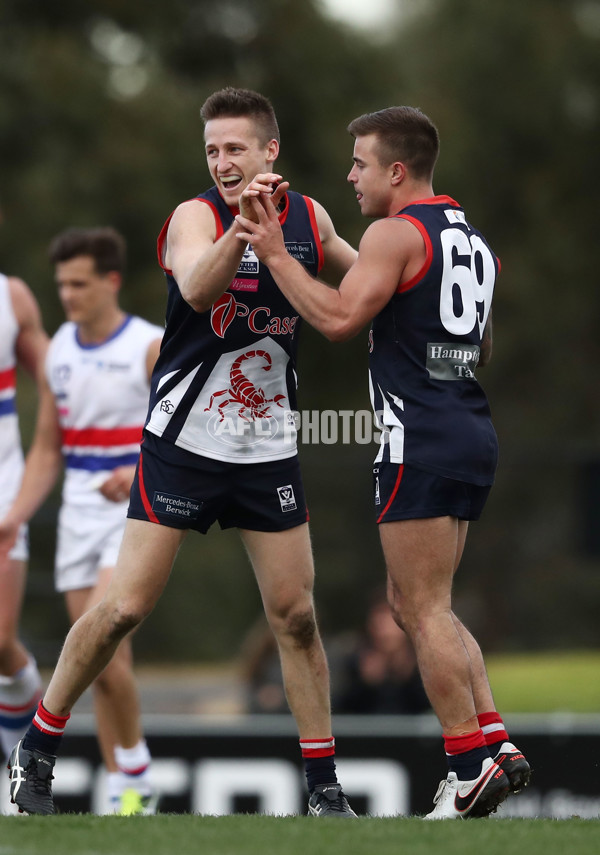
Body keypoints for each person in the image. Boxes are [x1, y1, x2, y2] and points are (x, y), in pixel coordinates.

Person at [6, 89, 359, 818]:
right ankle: (38, 746)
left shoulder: (310, 218)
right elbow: (198, 289)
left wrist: (436, 283)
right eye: (212, 150)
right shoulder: (195, 218)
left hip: (266, 449)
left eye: (236, 148)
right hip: (184, 444)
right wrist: (242, 230)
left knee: (295, 615)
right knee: (125, 608)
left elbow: (365, 287)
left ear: (271, 152)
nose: (222, 162)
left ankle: (324, 790)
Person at [234, 105, 531, 819]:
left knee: (421, 608)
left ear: (397, 170)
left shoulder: (392, 232)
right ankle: (495, 743)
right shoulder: (473, 239)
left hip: (419, 436)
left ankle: (465, 766)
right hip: (468, 429)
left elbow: (338, 320)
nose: (351, 175)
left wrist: (275, 252)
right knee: (417, 604)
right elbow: (478, 344)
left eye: (361, 163)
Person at [0, 227, 163, 815]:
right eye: (61, 284)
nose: (67, 295)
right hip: (77, 516)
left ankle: (132, 777)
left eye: (79, 283)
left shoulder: (148, 346)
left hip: (136, 515)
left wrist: (138, 468)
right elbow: (47, 449)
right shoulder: (60, 353)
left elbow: (187, 432)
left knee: (108, 643)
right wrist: (15, 516)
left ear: (111, 281)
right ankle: (129, 777)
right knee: (94, 666)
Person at [0, 267, 47, 776]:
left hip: (4, 493)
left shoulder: (11, 297)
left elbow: (61, 381)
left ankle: (19, 757)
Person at [332, 588, 430, 716]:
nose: (385, 631)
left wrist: (410, 678)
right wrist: (365, 684)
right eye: (379, 622)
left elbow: (430, 710)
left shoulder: (422, 663)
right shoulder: (357, 662)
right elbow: (340, 709)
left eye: (391, 622)